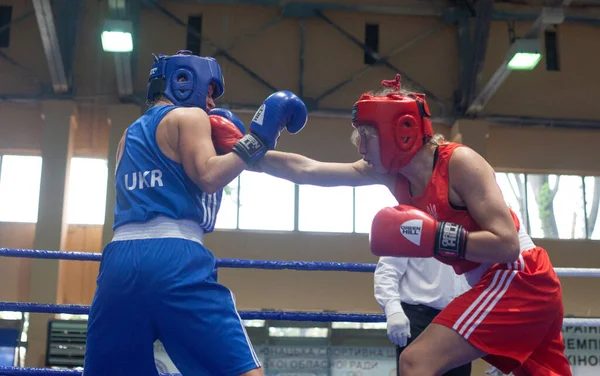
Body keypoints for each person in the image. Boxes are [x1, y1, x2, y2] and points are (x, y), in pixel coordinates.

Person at [241, 74, 571, 376]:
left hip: (518, 278)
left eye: (367, 137)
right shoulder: (389, 174)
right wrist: (244, 153)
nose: (360, 148)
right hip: (501, 283)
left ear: (400, 131)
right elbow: (309, 171)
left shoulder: (460, 163)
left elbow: (506, 243)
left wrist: (437, 237)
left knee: (415, 361)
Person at [83, 50, 308, 376]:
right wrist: (257, 139)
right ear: (184, 82)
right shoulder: (189, 118)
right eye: (210, 92)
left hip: (117, 263)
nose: (212, 104)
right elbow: (209, 175)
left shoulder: (127, 135)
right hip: (173, 257)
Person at [374, 255, 472, 376]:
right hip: (420, 317)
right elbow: (388, 268)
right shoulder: (405, 235)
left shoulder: (476, 236)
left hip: (463, 318)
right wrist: (392, 309)